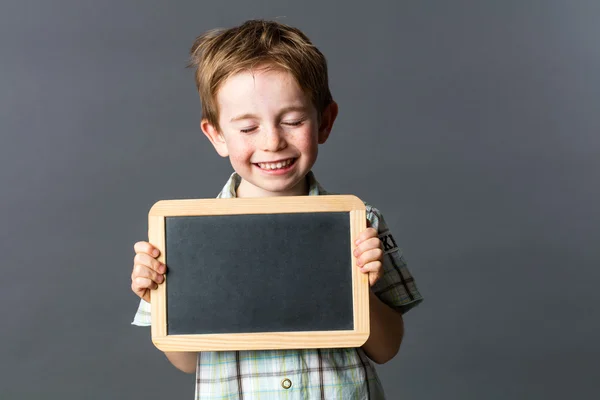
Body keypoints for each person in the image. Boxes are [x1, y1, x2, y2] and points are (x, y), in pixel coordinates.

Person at [130, 19, 422, 399]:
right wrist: (163, 297)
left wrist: (358, 289)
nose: (272, 142)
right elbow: (188, 361)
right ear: (216, 134)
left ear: (325, 122)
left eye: (292, 121)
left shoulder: (360, 222)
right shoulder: (186, 236)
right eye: (248, 128)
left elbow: (387, 348)